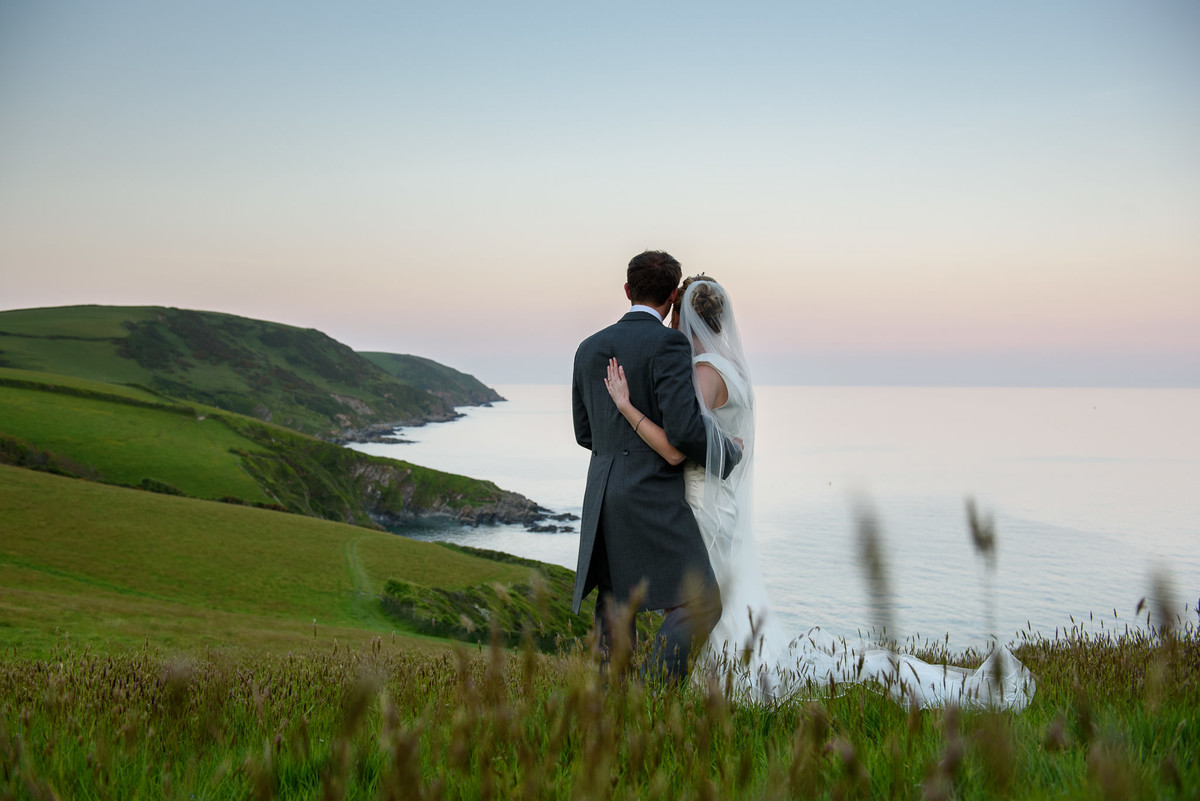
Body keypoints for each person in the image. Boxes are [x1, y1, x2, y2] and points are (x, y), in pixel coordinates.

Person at [604, 276, 1036, 709]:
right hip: (719, 506)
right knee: (717, 598)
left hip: (706, 509)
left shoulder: (705, 372)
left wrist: (626, 407)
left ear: (685, 316)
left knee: (704, 597)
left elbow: (684, 438)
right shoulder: (727, 366)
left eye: (676, 314)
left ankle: (725, 681)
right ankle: (710, 679)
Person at [571, 250, 739, 683]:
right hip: (651, 493)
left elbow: (584, 433)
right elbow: (684, 432)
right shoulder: (669, 343)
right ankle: (649, 694)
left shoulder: (587, 349)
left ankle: (606, 705)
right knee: (702, 603)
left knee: (614, 603)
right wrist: (730, 452)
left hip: (603, 494)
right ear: (671, 297)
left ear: (627, 290)